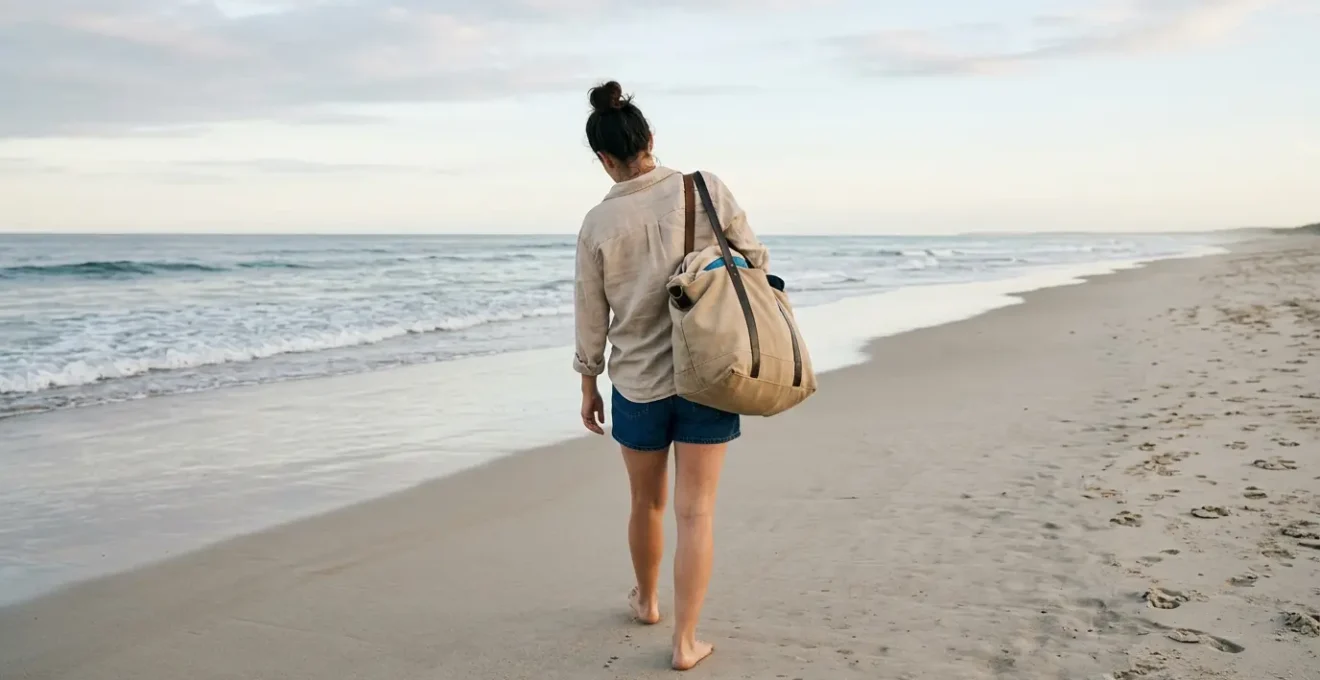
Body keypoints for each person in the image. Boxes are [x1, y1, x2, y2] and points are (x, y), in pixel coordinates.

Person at [572, 80, 768, 671]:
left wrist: (587, 381)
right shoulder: (705, 189)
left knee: (646, 503)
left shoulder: (597, 224)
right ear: (650, 139)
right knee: (696, 511)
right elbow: (754, 261)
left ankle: (648, 602)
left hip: (636, 382)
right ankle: (686, 643)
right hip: (710, 372)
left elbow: (591, 314)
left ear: (603, 160)